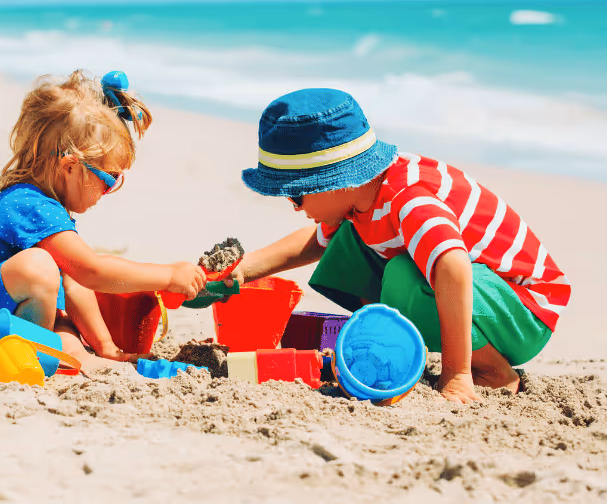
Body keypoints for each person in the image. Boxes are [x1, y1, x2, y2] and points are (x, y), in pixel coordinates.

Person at [226, 88, 570, 404]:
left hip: (523, 310)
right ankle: (384, 335)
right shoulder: (359, 197)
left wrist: (456, 375)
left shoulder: (409, 197)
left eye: (296, 194)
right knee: (347, 243)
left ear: (334, 182)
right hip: (479, 301)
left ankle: (491, 372)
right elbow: (315, 244)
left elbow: (454, 267)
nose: (295, 206)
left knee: (404, 273)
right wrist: (242, 269)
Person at [0, 70, 206, 374]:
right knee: (38, 267)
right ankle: (29, 357)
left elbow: (75, 285)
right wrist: (168, 275)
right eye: (108, 180)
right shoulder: (29, 205)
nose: (108, 191)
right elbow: (91, 271)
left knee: (69, 333)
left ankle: (84, 360)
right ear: (70, 167)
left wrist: (105, 346)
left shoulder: (51, 209)